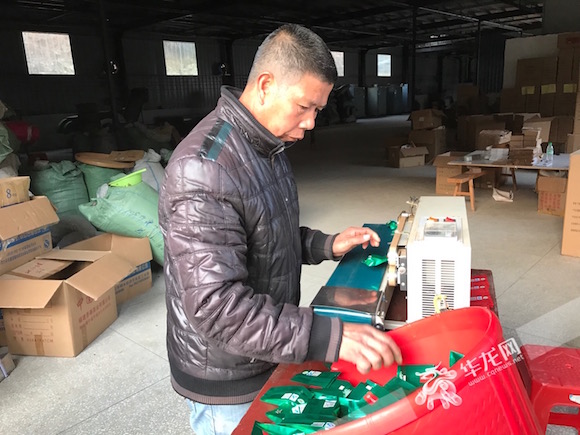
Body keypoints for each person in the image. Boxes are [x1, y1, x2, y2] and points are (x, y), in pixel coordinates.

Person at [159, 23, 402, 435]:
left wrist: (326, 245)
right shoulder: (204, 169)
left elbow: (265, 233)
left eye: (318, 111)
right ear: (266, 85)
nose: (311, 123)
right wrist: (328, 336)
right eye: (304, 106)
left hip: (264, 350)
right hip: (228, 375)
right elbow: (216, 306)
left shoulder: (266, 146)